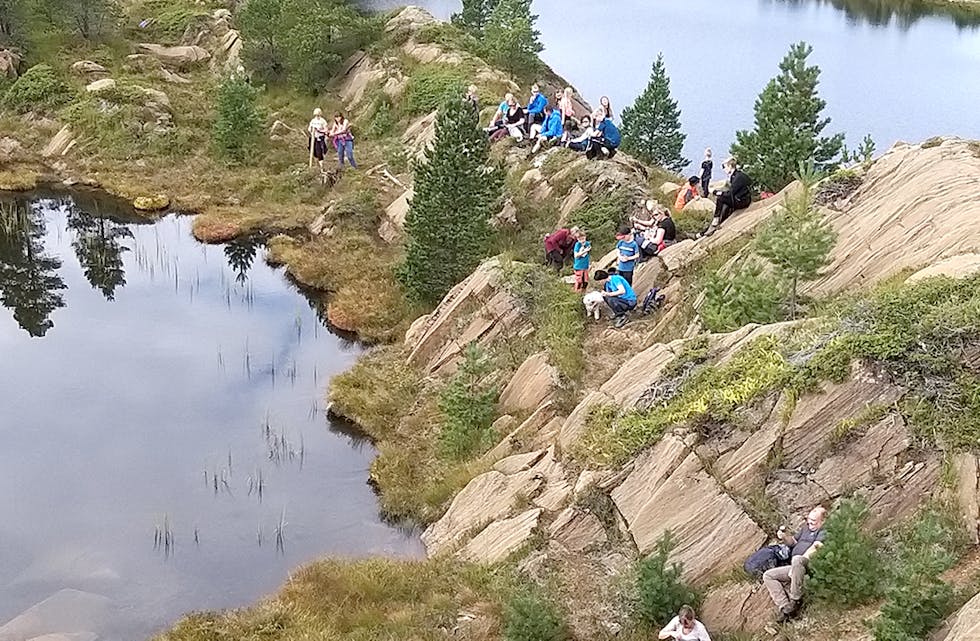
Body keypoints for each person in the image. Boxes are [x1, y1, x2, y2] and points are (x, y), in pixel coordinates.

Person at [762, 506, 828, 622]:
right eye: (809, 521)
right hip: (795, 564)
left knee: (797, 559)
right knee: (768, 575)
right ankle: (785, 609)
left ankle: (795, 600)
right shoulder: (805, 528)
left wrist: (797, 563)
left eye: (813, 522)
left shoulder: (825, 531)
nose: (810, 524)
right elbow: (793, 542)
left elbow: (815, 548)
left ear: (822, 521)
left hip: (810, 564)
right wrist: (784, 537)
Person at [702, 158, 751, 237]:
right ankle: (712, 226)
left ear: (730, 166)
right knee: (725, 207)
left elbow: (730, 193)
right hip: (741, 198)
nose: (723, 169)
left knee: (720, 198)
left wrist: (715, 192)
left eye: (724, 167)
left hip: (742, 201)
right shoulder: (736, 175)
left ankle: (715, 220)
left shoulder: (738, 177)